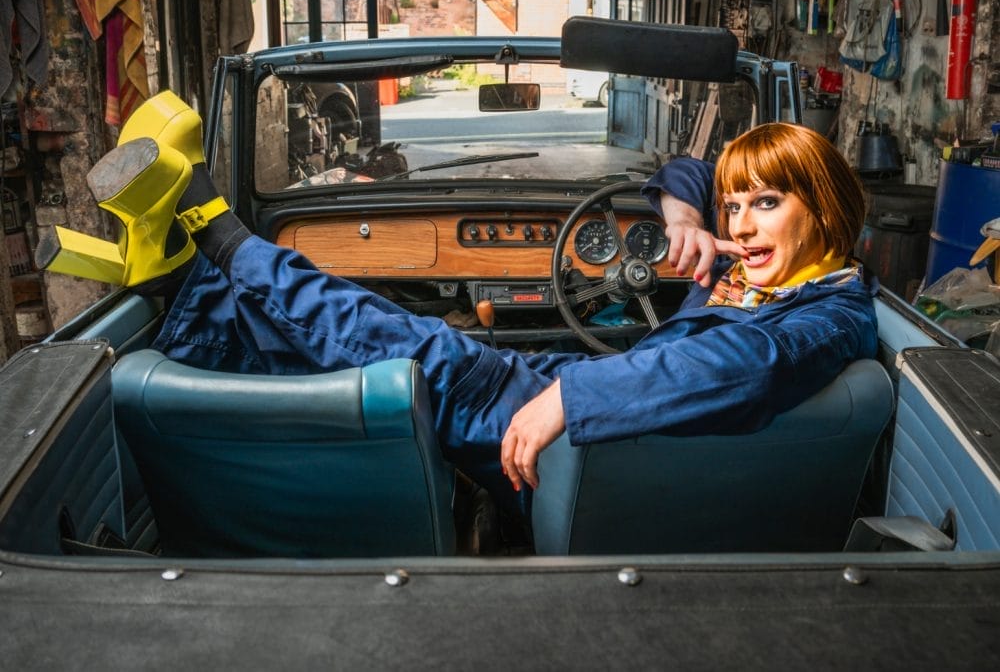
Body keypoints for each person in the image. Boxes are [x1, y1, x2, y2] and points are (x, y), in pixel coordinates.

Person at [39, 92, 876, 515]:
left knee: (383, 332)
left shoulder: (823, 318)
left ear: (825, 204)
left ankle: (215, 238)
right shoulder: (783, 275)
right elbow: (695, 174)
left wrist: (566, 398)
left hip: (587, 431)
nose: (742, 222)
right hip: (578, 394)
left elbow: (729, 360)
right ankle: (173, 280)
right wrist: (688, 213)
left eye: (767, 203)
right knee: (314, 348)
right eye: (737, 206)